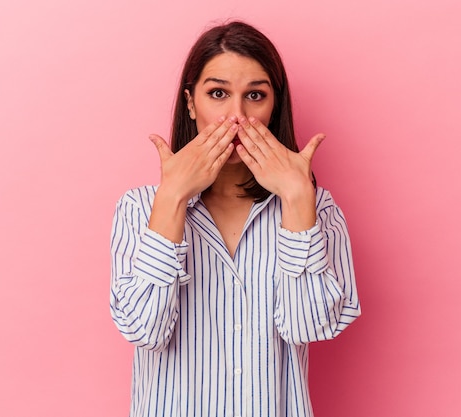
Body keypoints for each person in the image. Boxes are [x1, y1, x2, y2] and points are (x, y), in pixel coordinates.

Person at [110, 20, 360, 417]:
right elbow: (143, 331)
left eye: (255, 95)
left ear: (274, 105)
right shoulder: (140, 210)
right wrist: (173, 198)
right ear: (191, 103)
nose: (236, 116)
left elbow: (310, 328)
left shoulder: (317, 209)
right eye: (218, 93)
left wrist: (297, 199)